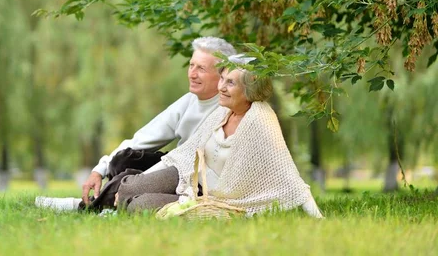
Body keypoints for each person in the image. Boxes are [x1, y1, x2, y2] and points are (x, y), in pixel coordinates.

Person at [35, 37, 236, 211]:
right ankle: (114, 199)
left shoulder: (227, 107)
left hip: (196, 178)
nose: (192, 74)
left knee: (133, 184)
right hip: (175, 167)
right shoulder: (189, 101)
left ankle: (86, 205)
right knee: (121, 160)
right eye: (191, 65)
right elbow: (144, 138)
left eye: (201, 68)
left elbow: (191, 161)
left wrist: (137, 182)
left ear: (222, 75)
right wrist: (100, 169)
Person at [115, 55, 323, 218]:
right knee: (128, 186)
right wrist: (143, 179)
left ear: (249, 90)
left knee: (138, 204)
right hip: (190, 175)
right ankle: (105, 203)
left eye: (230, 83)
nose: (221, 87)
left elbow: (290, 179)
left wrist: (319, 220)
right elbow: (184, 153)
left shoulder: (260, 120)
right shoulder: (222, 111)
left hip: (215, 197)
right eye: (222, 78)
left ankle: (127, 205)